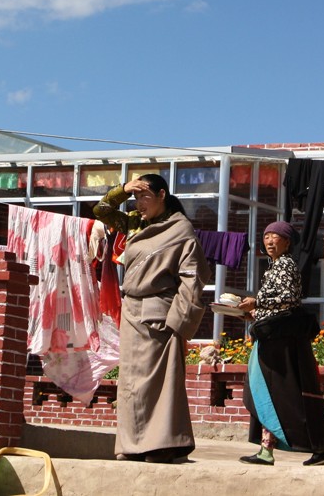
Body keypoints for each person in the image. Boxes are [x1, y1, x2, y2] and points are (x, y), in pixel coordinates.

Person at [93, 173, 208, 463]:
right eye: (136, 198)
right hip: (131, 311)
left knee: (159, 382)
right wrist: (123, 190)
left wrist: (180, 322)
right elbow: (101, 211)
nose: (139, 203)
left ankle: (164, 444)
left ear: (162, 195)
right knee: (130, 382)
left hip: (160, 313)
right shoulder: (134, 223)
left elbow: (193, 279)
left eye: (145, 196)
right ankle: (132, 445)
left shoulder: (181, 230)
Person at [237, 221, 324, 467]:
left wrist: (257, 302)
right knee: (269, 394)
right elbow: (279, 304)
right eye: (266, 236)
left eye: (275, 236)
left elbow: (289, 298)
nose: (269, 241)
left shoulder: (286, 264)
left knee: (287, 395)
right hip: (272, 338)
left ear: (287, 242)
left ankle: (321, 447)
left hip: (282, 342)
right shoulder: (274, 267)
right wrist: (254, 312)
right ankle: (266, 450)